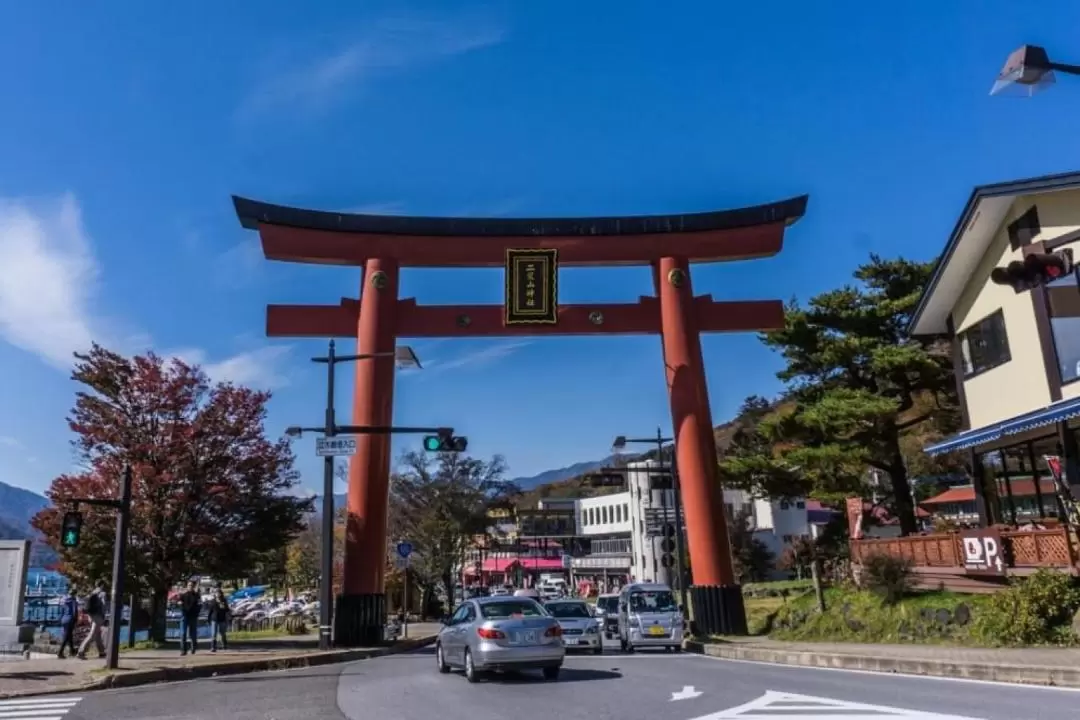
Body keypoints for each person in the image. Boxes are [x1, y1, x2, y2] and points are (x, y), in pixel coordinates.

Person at [77, 580, 107, 660]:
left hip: (91, 616)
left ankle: (102, 652)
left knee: (97, 634)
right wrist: (104, 615)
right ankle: (81, 651)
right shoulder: (102, 593)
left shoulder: (92, 593)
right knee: (92, 634)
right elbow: (104, 605)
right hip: (98, 616)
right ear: (102, 585)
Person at [179, 581, 202, 655]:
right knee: (183, 633)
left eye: (191, 585)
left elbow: (200, 604)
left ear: (193, 586)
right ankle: (183, 650)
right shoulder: (183, 595)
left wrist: (197, 612)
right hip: (185, 616)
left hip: (193, 616)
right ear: (187, 586)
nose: (190, 587)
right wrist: (179, 604)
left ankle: (193, 648)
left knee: (193, 634)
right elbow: (179, 603)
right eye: (189, 585)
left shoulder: (196, 595)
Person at [57, 586, 79, 659]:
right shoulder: (73, 601)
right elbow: (74, 611)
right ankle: (60, 652)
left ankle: (72, 651)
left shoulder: (64, 600)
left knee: (69, 636)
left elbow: (61, 611)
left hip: (64, 619)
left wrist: (60, 619)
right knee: (66, 636)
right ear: (74, 594)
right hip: (70, 619)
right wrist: (76, 619)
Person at [205, 587, 230, 652]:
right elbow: (210, 611)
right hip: (214, 619)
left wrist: (228, 618)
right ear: (215, 594)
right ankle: (213, 647)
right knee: (214, 633)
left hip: (222, 619)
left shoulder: (224, 601)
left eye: (219, 593)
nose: (217, 594)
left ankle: (224, 644)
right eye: (216, 593)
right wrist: (208, 619)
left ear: (221, 594)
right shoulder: (213, 601)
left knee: (222, 633)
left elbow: (227, 610)